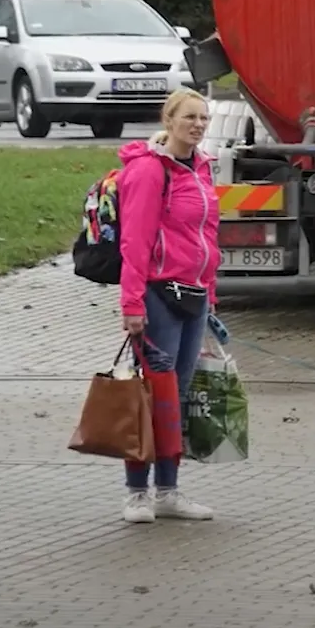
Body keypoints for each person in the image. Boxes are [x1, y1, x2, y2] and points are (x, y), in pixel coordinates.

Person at [116, 87, 221, 523]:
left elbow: (208, 235)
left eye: (204, 119)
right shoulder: (147, 171)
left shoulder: (201, 168)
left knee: (175, 398)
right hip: (159, 297)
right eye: (189, 117)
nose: (197, 125)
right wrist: (132, 304)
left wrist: (211, 299)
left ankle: (169, 491)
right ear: (169, 119)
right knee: (149, 396)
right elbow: (134, 242)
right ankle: (137, 494)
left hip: (194, 297)